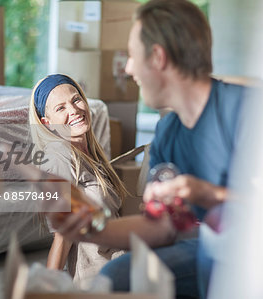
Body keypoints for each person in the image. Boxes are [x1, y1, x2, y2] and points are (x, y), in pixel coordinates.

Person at [47, 0, 249, 298]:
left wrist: (210, 194)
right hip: (204, 244)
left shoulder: (246, 111)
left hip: (258, 249)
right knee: (117, 274)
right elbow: (162, 228)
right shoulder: (167, 132)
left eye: (132, 55)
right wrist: (90, 228)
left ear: (158, 57)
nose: (128, 68)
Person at [28, 74, 127, 282]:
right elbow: (63, 238)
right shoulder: (58, 156)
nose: (74, 110)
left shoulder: (91, 155)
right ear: (47, 123)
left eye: (76, 99)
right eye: (60, 108)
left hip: (122, 266)